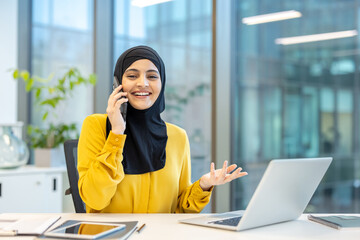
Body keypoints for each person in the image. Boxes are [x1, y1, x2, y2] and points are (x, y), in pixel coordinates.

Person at [77, 46, 248, 213]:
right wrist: (116, 134)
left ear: (162, 83)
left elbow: (179, 208)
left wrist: (204, 184)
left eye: (152, 76)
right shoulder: (96, 126)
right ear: (117, 84)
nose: (142, 83)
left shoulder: (177, 136)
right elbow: (95, 200)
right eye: (131, 75)